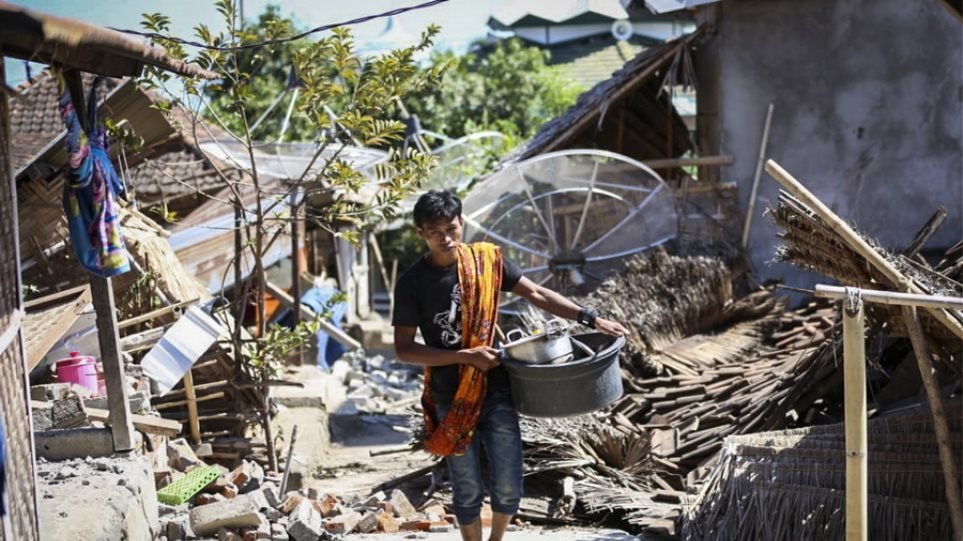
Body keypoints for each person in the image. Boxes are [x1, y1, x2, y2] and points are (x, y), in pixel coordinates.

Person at [392, 190, 628, 541]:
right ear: (420, 233)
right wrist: (464, 356)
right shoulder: (413, 282)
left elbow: (538, 294)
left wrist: (591, 319)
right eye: (435, 231)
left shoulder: (487, 263)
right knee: (466, 483)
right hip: (450, 395)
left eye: (452, 228)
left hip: (497, 389)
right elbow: (405, 349)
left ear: (462, 224)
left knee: (508, 478)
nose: (446, 238)